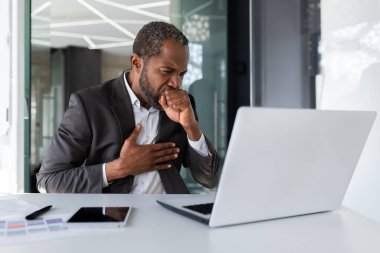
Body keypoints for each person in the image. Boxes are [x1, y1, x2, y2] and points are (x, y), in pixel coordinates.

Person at [36, 21, 220, 194]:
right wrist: (117, 169)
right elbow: (48, 181)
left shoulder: (183, 105)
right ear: (137, 63)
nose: (176, 83)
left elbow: (210, 179)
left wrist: (191, 127)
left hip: (169, 215)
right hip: (110, 221)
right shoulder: (89, 105)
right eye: (167, 71)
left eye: (182, 74)